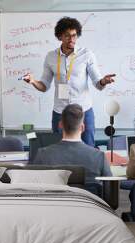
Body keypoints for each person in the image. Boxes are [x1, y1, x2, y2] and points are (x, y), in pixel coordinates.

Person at [22, 17, 116, 147]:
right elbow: (44, 86)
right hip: (60, 111)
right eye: (67, 36)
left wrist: (104, 81)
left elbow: (97, 83)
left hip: (83, 110)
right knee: (59, 148)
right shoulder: (51, 57)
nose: (71, 39)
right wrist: (33, 81)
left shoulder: (86, 54)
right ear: (60, 36)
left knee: (88, 147)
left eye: (74, 35)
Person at [32, 104, 112, 183]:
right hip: (89, 196)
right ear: (82, 127)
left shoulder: (42, 155)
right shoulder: (99, 157)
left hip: (54, 196)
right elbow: (110, 191)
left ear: (60, 125)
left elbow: (31, 186)